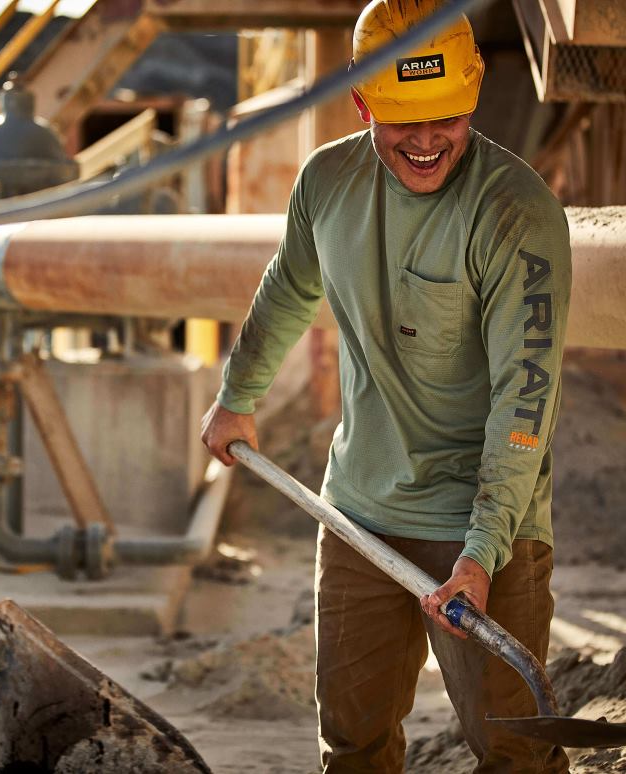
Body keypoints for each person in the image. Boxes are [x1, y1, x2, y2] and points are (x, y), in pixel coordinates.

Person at [202, 1, 571, 771]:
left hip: (484, 525)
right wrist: (239, 396)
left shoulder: (514, 211)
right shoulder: (327, 183)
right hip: (360, 517)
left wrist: (481, 551)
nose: (430, 140)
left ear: (471, 98)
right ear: (363, 102)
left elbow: (525, 395)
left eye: (449, 118)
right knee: (354, 744)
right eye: (406, 121)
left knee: (516, 754)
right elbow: (286, 289)